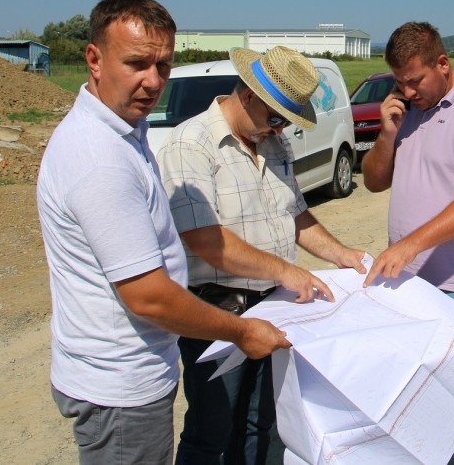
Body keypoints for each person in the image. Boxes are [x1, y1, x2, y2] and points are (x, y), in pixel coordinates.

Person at [37, 0, 291, 465]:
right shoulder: (99, 160)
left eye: (163, 65)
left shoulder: (123, 133)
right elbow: (148, 296)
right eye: (136, 63)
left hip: (131, 376)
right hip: (119, 387)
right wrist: (240, 331)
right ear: (94, 59)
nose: (153, 81)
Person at [157, 45, 368, 465]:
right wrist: (285, 271)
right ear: (249, 95)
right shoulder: (190, 144)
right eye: (275, 119)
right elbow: (205, 239)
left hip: (273, 310)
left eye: (286, 122)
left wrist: (341, 254)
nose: (279, 130)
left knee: (260, 425)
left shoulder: (273, 143)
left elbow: (296, 215)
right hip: (219, 316)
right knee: (211, 431)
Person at [361, 21, 454, 465]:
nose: (408, 92)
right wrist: (387, 134)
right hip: (408, 287)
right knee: (413, 405)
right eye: (400, 82)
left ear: (442, 64)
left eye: (415, 80)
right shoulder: (407, 111)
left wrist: (409, 246)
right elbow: (373, 182)